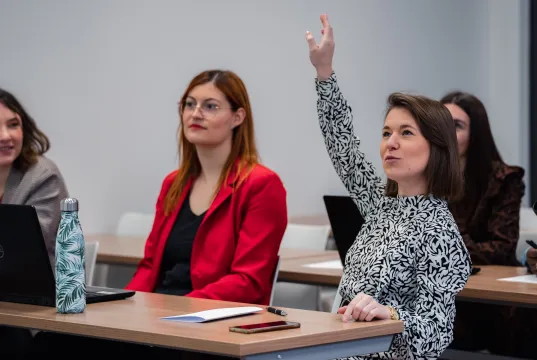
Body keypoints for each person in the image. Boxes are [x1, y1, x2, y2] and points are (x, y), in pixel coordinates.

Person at [32, 69, 287, 357]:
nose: (196, 113)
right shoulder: (174, 183)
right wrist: (119, 308)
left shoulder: (261, 184)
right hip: (163, 318)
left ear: (238, 117)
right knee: (51, 341)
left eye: (210, 106)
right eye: (189, 104)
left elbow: (248, 282)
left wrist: (175, 311)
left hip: (213, 325)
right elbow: (150, 266)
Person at [306, 14, 471, 359]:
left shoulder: (439, 231)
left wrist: (392, 316)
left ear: (437, 146)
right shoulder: (381, 205)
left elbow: (436, 334)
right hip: (340, 349)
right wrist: (325, 74)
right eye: (386, 133)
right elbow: (344, 148)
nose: (390, 143)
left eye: (405, 133)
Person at [440, 91, 532, 358]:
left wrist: (444, 246)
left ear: (476, 133)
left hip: (492, 300)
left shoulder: (504, 179)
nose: (447, 132)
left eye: (456, 125)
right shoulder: (427, 179)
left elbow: (501, 248)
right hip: (447, 290)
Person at [0, 88, 68, 357]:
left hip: (29, 309)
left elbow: (19, 256)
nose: (5, 136)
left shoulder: (42, 176)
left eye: (13, 125)